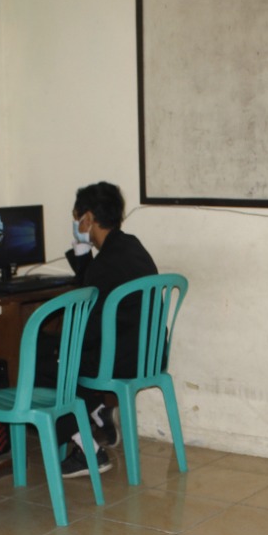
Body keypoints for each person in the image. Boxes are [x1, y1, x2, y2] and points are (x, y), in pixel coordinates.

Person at [49, 181, 158, 478]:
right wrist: (83, 251)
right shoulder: (131, 246)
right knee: (65, 351)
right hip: (145, 353)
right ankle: (100, 415)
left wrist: (63, 352)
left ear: (88, 218)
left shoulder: (106, 263)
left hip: (120, 359)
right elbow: (93, 288)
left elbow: (87, 310)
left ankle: (88, 450)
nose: (75, 224)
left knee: (51, 360)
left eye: (77, 218)